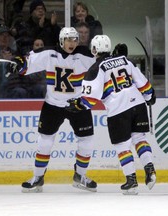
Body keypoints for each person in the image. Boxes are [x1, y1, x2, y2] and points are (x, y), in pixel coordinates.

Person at [66, 35, 156, 195]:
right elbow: (143, 83)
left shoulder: (95, 69)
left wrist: (77, 105)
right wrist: (149, 96)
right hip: (138, 104)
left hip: (118, 109)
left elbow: (90, 99)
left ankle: (131, 181)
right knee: (140, 139)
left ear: (94, 50)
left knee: (122, 146)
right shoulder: (124, 60)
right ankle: (150, 170)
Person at [14, 27, 97, 193]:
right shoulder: (49, 54)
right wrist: (18, 64)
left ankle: (80, 176)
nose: (72, 43)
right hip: (53, 105)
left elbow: (103, 64)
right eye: (68, 39)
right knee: (44, 142)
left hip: (78, 105)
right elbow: (27, 63)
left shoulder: (85, 56)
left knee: (87, 142)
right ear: (61, 40)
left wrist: (112, 56)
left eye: (74, 39)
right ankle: (38, 177)